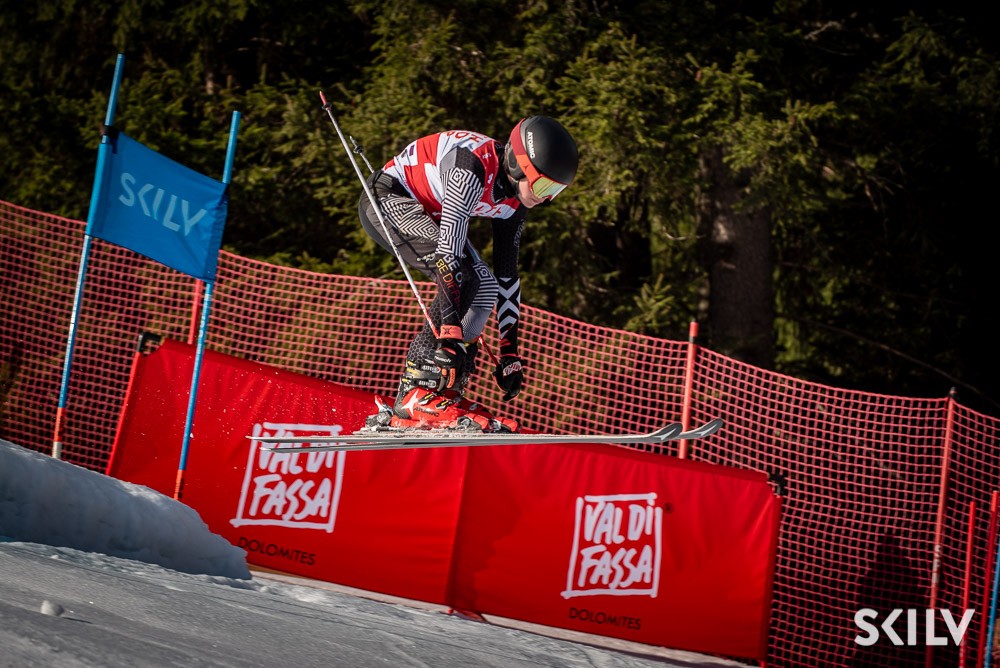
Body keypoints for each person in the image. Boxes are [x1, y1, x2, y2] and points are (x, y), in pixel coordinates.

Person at [358, 116, 579, 432]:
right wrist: (449, 335)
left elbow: (507, 275)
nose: (546, 198)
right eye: (544, 186)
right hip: (387, 200)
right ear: (518, 167)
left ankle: (444, 391)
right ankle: (414, 394)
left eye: (556, 191)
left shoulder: (514, 200)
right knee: (464, 275)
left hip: (428, 211)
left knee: (485, 285)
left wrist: (509, 351)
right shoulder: (470, 169)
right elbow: (449, 255)